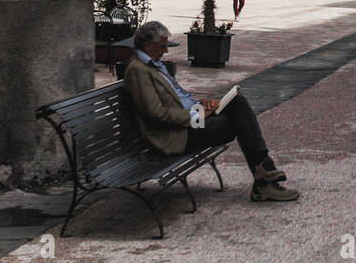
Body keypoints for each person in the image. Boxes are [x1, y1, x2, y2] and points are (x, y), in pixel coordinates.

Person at [123, 20, 298, 202]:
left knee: (236, 102)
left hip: (190, 119)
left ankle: (265, 172)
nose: (166, 51)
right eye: (163, 46)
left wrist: (201, 104)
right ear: (148, 45)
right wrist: (196, 114)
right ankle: (264, 177)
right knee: (236, 122)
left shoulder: (154, 64)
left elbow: (176, 98)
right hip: (177, 133)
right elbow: (157, 114)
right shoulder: (138, 71)